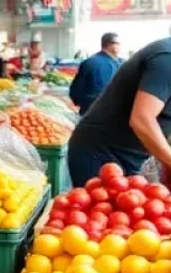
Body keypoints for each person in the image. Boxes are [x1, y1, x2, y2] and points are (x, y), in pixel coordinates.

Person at [68, 35, 171, 186]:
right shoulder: (167, 59)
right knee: (101, 206)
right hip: (103, 154)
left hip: (131, 156)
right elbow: (142, 119)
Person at [69, 32, 121, 115]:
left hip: (90, 111)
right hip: (112, 112)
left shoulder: (89, 62)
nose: (120, 47)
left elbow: (75, 90)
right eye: (118, 44)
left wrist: (81, 104)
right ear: (110, 45)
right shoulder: (119, 65)